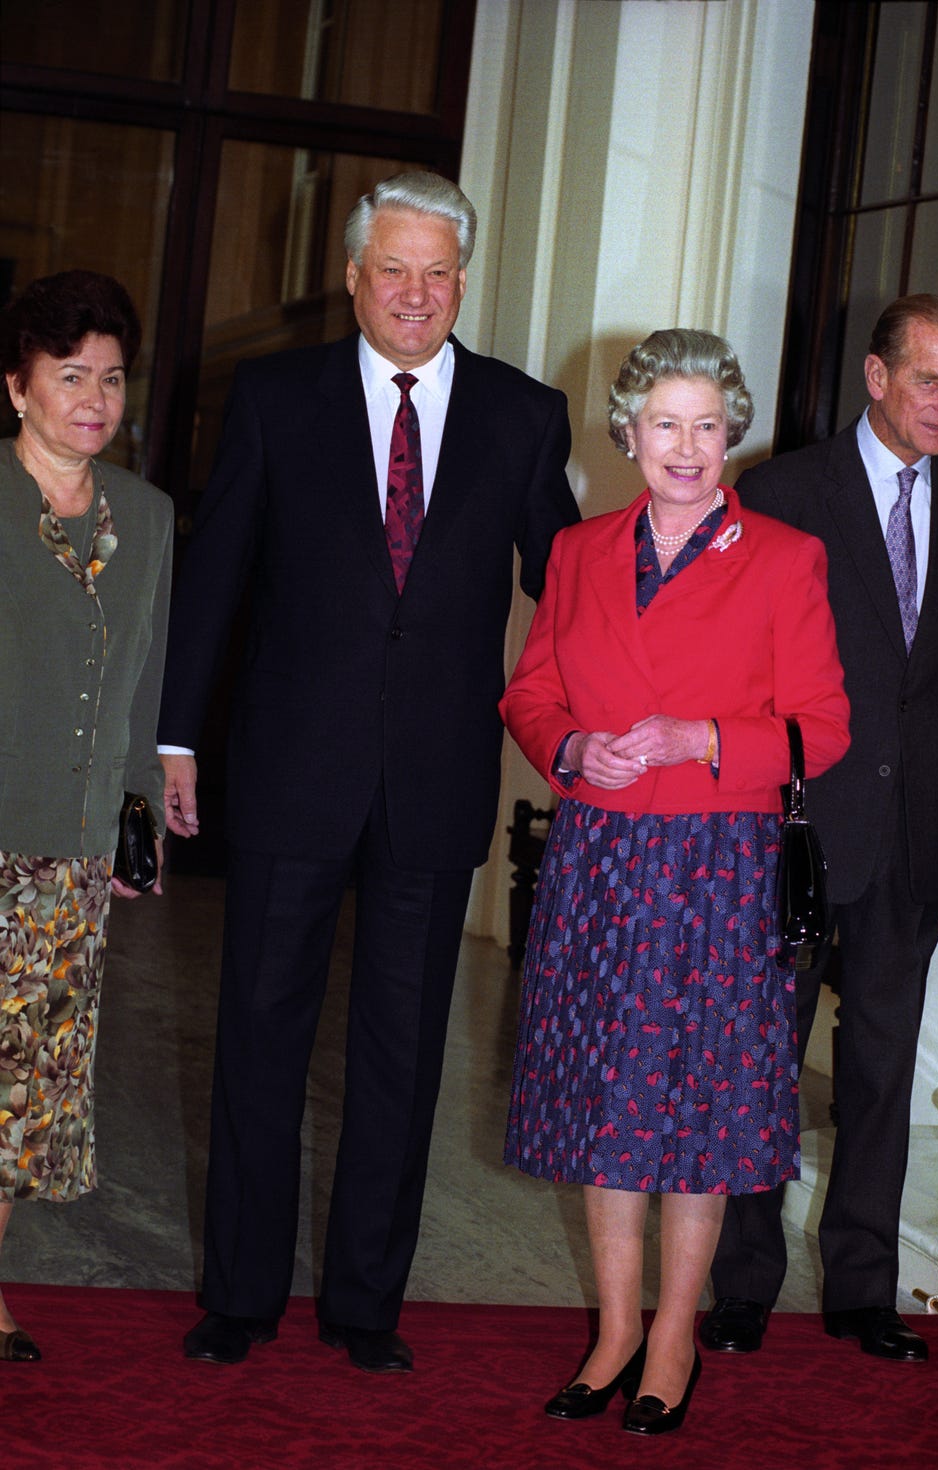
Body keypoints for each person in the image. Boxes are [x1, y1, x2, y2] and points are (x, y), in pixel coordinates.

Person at [158, 170, 580, 1372]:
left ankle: (364, 1307)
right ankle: (238, 1293)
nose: (413, 292)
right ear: (352, 278)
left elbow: (568, 590)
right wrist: (177, 734)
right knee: (258, 1033)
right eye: (391, 269)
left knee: (401, 1052)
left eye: (435, 272)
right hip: (292, 763)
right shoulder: (275, 398)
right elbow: (219, 569)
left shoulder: (518, 413)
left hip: (437, 778)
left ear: (462, 280)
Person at [500, 328, 850, 1435]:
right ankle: (610, 1330)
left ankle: (671, 1337)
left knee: (693, 1113)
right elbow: (531, 692)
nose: (686, 448)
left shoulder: (784, 557)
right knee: (605, 1105)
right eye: (664, 425)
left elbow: (823, 726)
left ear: (729, 432)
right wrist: (569, 752)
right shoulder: (579, 551)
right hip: (601, 858)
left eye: (706, 425)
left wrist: (701, 734)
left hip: (717, 867)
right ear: (628, 434)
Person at [701, 294, 938, 1364]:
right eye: (926, 381)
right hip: (793, 827)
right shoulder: (780, 492)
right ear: (874, 377)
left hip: (911, 828)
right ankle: (741, 1285)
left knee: (878, 1064)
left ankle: (862, 1289)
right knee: (757, 1062)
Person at [0, 270, 172, 1362]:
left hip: (66, 849)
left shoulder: (146, 515)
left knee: (22, 1086)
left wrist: (136, 816)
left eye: (110, 378)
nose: (94, 398)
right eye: (71, 376)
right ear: (16, 387)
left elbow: (144, 679)